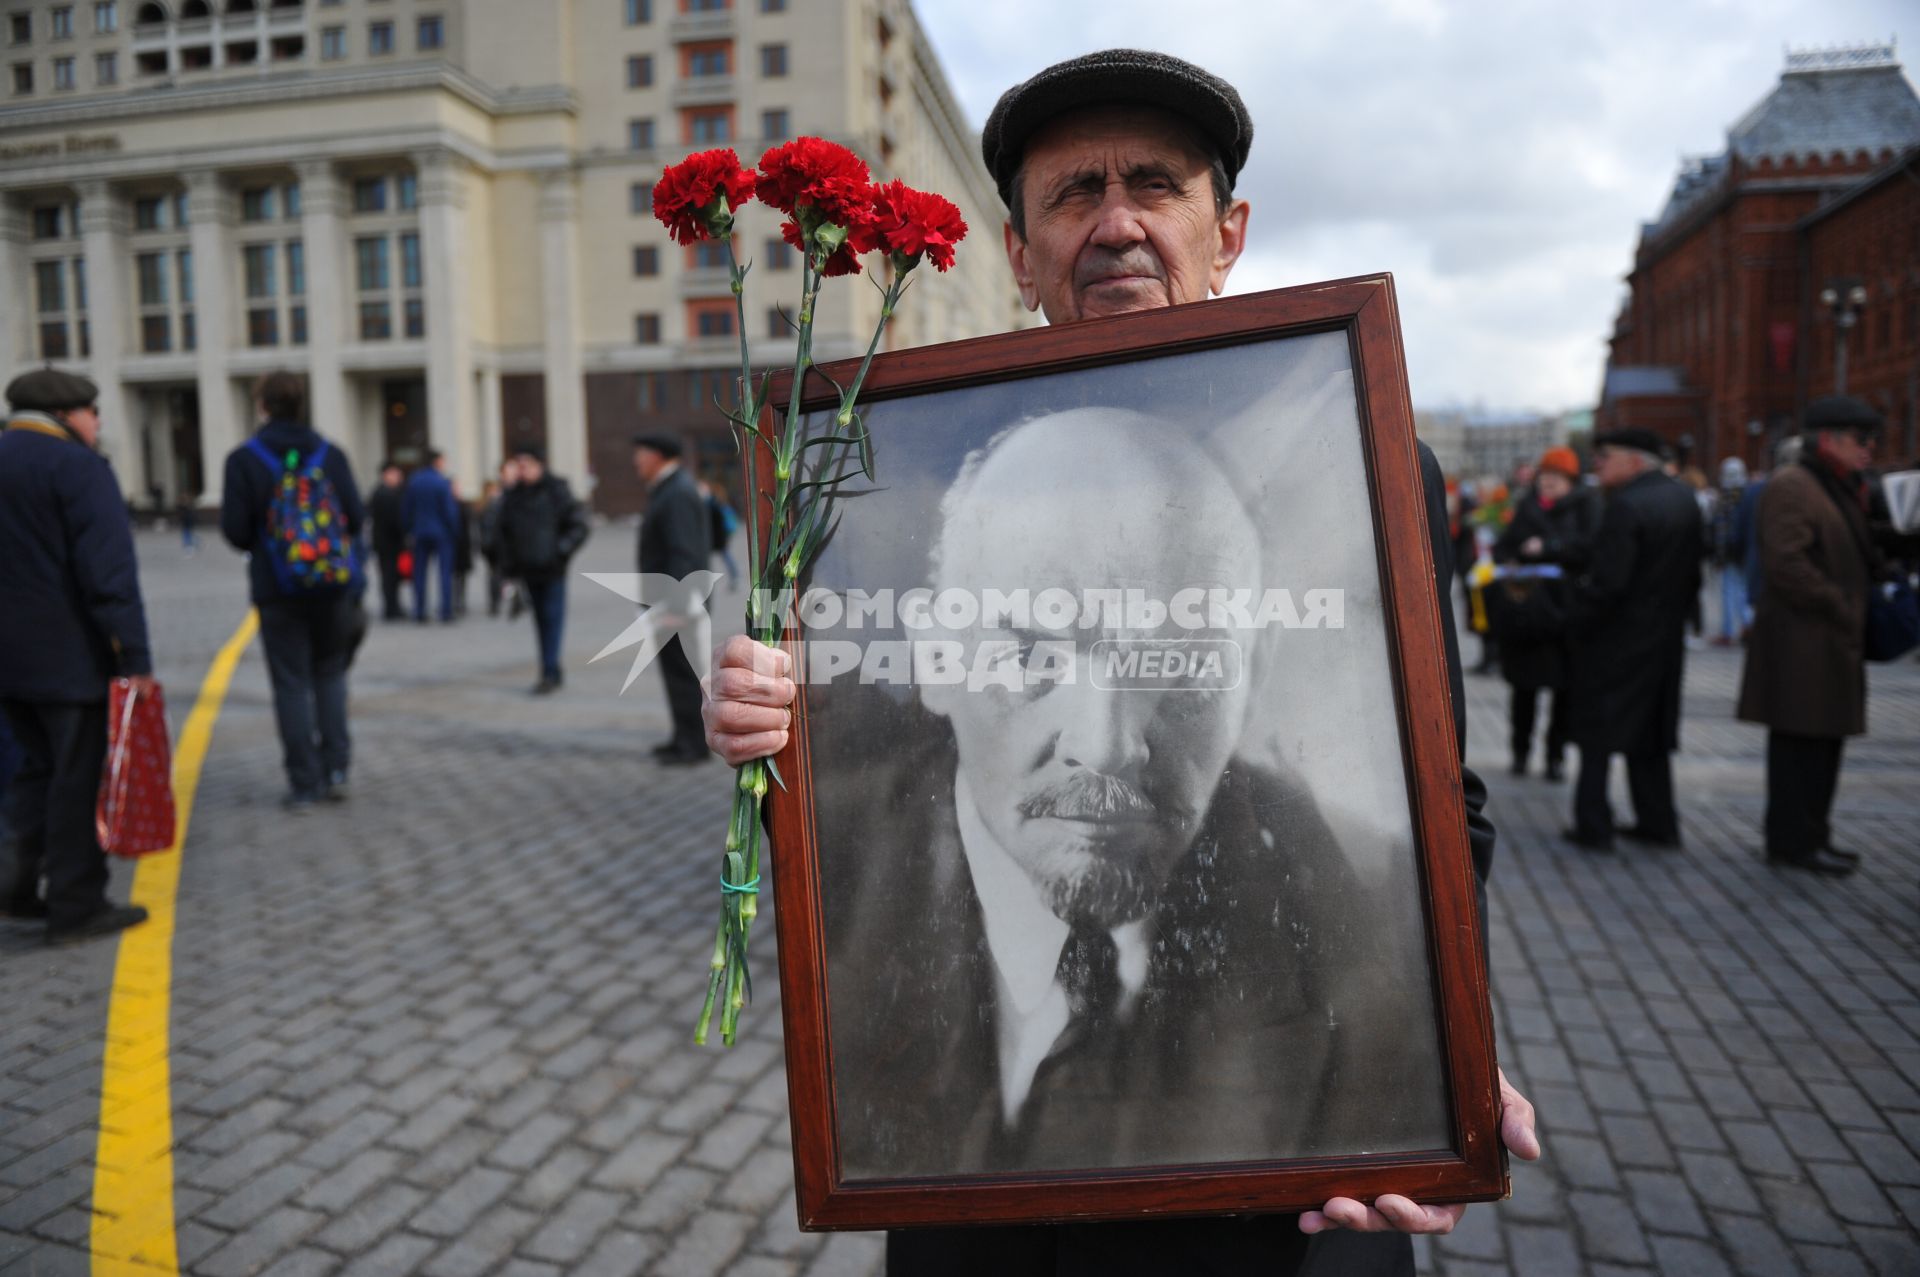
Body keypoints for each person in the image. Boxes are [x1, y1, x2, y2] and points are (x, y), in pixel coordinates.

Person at [703, 48, 1536, 1276]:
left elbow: (1435, 785)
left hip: (1286, 1228)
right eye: (1074, 193)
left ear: (1230, 227)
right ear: (1018, 250)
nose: (1117, 222)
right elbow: (819, 760)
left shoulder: (1361, 452)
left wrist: (1437, 1042)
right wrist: (760, 720)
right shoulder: (887, 455)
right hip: (974, 1229)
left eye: (1155, 183)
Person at [825, 409, 1446, 1181]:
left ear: (1252, 679)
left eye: (1184, 667)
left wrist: (1454, 1077)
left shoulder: (1370, 949)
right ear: (935, 657)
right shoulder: (820, 860)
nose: (1109, 744)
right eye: (1029, 652)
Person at [0, 367, 153, 942]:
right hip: (67, 659)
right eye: (94, 413)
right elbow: (108, 572)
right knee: (74, 777)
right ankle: (76, 904)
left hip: (7, 661)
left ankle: (14, 890)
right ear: (69, 415)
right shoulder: (77, 467)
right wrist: (133, 656)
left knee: (31, 773)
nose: (97, 424)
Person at [1736, 396, 1883, 876]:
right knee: (1800, 749)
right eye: (1860, 440)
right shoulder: (1796, 485)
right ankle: (1793, 840)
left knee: (1823, 746)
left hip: (1825, 642)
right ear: (1829, 440)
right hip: (1803, 644)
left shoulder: (1836, 484)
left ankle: (1814, 834)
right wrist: (1839, 604)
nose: (1869, 450)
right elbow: (1786, 563)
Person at [219, 371, 367, 811]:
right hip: (332, 588)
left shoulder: (245, 459)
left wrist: (271, 546)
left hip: (277, 588)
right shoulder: (329, 454)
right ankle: (337, 769)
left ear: (262, 405)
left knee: (290, 684)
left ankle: (304, 782)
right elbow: (356, 519)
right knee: (331, 673)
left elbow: (234, 530)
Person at [1562, 429, 1703, 852]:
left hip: (1617, 641)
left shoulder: (1627, 505)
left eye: (1604, 456)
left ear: (1635, 460)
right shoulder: (1683, 498)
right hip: (1664, 639)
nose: (1597, 464)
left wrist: (1572, 618)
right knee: (1651, 733)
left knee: (1597, 734)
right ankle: (1658, 822)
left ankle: (1594, 824)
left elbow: (1609, 585)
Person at [1493, 446, 1598, 780]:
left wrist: (1550, 547)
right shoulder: (1526, 506)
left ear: (1571, 481)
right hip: (1528, 612)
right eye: (1544, 477)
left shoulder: (1586, 506)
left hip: (1565, 612)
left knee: (1563, 692)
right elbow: (1505, 545)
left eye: (1556, 478)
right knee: (1523, 690)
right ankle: (1520, 752)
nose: (1548, 483)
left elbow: (1590, 548)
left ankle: (1555, 756)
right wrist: (1510, 558)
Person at [635, 434, 713, 763]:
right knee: (677, 672)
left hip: (678, 606)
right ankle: (683, 735)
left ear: (658, 456)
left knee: (684, 674)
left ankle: (694, 745)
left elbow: (683, 554)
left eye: (641, 454)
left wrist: (678, 608)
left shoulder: (677, 493)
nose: (636, 461)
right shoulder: (672, 488)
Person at [495, 445, 588, 693]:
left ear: (539, 465)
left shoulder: (557, 490)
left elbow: (579, 525)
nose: (522, 470)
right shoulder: (513, 495)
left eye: (526, 465)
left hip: (552, 570)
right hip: (527, 570)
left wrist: (561, 550)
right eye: (519, 465)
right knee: (540, 621)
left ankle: (549, 670)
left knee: (552, 619)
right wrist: (508, 567)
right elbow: (503, 531)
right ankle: (550, 669)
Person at [402, 449, 460, 624]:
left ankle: (419, 610)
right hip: (441, 533)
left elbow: (406, 509)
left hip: (420, 532)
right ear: (437, 462)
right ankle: (445, 610)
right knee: (444, 573)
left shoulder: (414, 481)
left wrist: (408, 529)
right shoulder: (441, 482)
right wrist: (455, 531)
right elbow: (449, 511)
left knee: (419, 573)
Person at [1709, 456, 1751, 645]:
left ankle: (1733, 629)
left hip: (1730, 552)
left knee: (1730, 592)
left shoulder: (1725, 499)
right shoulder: (1748, 495)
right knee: (1741, 591)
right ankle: (1744, 627)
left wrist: (1718, 556)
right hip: (1743, 552)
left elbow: (1720, 531)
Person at [366, 461, 408, 621]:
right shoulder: (385, 494)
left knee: (391, 577)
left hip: (386, 543)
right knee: (389, 577)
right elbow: (393, 520)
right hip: (388, 543)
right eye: (395, 474)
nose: (398, 477)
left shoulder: (383, 492)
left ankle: (393, 606)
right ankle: (391, 608)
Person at [478, 471, 511, 617]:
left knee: (493, 573)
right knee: (499, 574)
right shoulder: (495, 505)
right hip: (496, 545)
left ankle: (495, 601)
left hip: (487, 545)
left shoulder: (481, 506)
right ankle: (497, 601)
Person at [704, 479, 740, 589]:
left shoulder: (711, 504)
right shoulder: (718, 503)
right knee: (725, 556)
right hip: (720, 536)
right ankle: (735, 576)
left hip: (717, 537)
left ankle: (735, 576)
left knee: (723, 556)